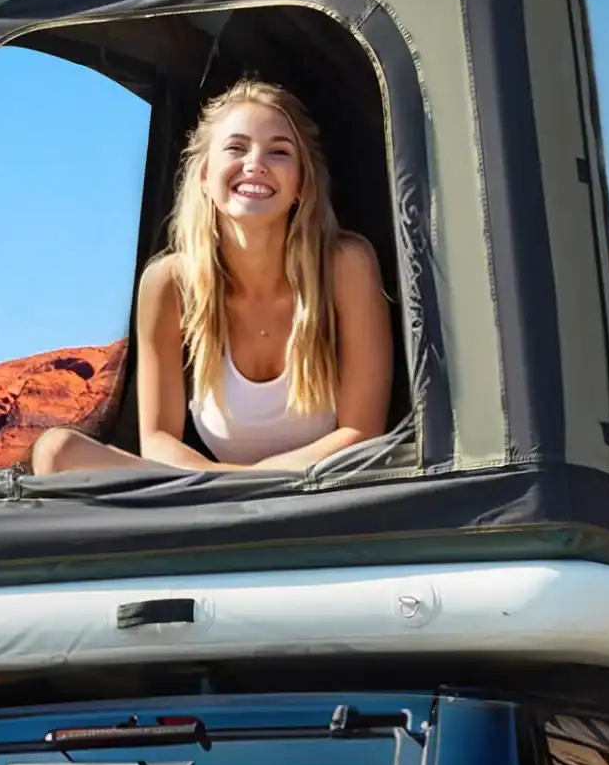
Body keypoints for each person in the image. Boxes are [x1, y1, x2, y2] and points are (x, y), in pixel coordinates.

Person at [27, 77, 393, 474]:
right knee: (57, 450)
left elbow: (361, 435)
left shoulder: (344, 266)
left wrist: (245, 485)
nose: (255, 163)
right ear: (203, 174)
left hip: (317, 498)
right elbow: (159, 442)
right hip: (209, 503)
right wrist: (227, 493)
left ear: (302, 183)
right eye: (236, 147)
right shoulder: (169, 283)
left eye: (279, 152)